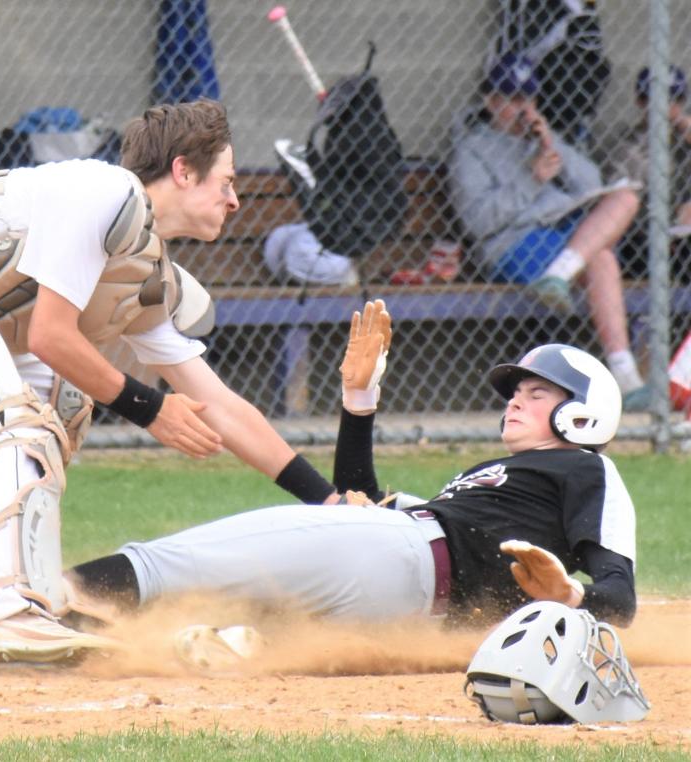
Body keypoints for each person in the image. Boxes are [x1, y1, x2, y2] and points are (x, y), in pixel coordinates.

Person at [0, 100, 344, 664]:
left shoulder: (141, 265)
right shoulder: (109, 192)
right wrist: (151, 408)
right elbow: (51, 336)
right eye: (225, 181)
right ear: (182, 170)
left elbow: (218, 402)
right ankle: (14, 612)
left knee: (56, 415)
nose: (235, 198)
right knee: (20, 429)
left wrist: (328, 500)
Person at [68, 301, 638, 633]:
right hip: (396, 585)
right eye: (517, 392)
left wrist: (572, 600)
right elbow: (355, 504)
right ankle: (77, 631)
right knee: (207, 605)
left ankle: (46, 604)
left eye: (537, 394)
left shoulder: (587, 473)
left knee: (179, 563)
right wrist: (358, 402)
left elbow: (622, 599)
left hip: (404, 568)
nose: (515, 400)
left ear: (584, 416)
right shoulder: (491, 476)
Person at [449, 53, 649, 411]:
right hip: (516, 243)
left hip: (563, 235)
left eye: (527, 98)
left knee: (624, 199)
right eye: (510, 99)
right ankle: (624, 373)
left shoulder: (540, 138)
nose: (521, 108)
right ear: (490, 101)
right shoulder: (471, 148)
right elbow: (478, 220)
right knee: (600, 257)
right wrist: (531, 176)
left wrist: (550, 143)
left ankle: (624, 373)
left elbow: (592, 183)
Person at [608, 65, 691, 284]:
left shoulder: (686, 138)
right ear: (641, 102)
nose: (666, 108)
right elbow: (618, 208)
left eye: (675, 100)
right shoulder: (628, 148)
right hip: (644, 239)